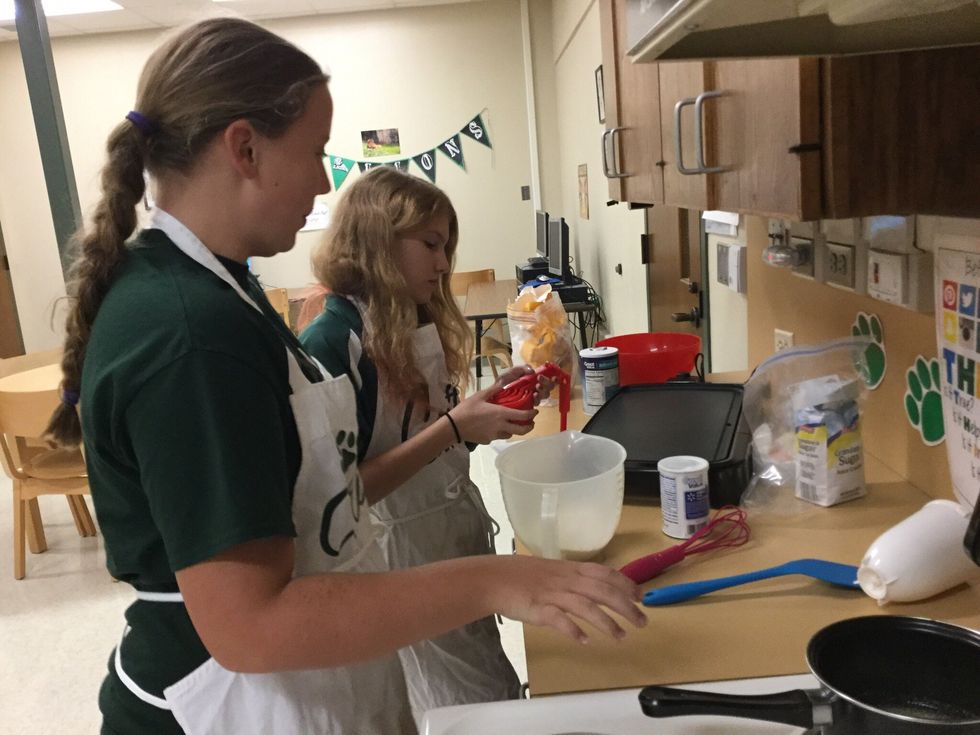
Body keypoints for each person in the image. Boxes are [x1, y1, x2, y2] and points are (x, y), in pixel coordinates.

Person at [46, 17, 645, 735]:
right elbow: (251, 627)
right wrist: (496, 579)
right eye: (315, 151)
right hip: (225, 705)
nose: (325, 177)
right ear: (245, 148)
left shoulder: (220, 290)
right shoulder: (189, 334)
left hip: (301, 689)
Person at [300, 166, 545, 719]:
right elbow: (345, 495)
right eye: (431, 244)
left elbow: (428, 441)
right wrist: (456, 427)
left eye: (447, 247)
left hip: (448, 537)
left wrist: (486, 417)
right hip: (399, 559)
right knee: (474, 705)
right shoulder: (333, 340)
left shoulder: (411, 318)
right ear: (378, 242)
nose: (443, 263)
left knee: (475, 688)